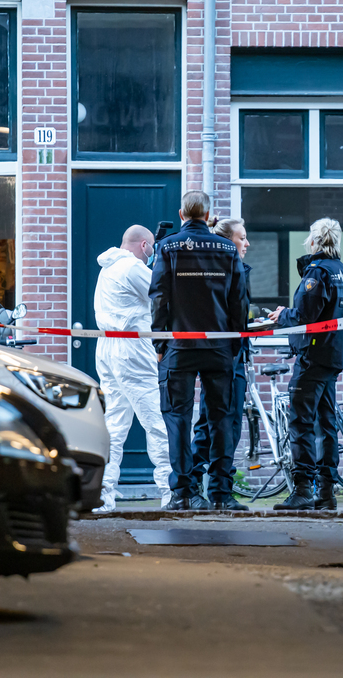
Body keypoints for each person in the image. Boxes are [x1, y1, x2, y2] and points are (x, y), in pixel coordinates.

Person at [150, 191, 248, 511]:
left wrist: (160, 343)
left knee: (178, 418)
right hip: (220, 347)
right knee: (221, 419)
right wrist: (234, 342)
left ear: (181, 214)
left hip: (178, 347)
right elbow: (238, 300)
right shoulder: (225, 248)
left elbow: (160, 297)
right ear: (208, 216)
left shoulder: (167, 246)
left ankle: (184, 493)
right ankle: (221, 493)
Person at [268, 218, 343, 511]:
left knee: (301, 421)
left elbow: (306, 318)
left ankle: (303, 489)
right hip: (334, 357)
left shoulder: (317, 274)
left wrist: (282, 315)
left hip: (313, 357)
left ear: (315, 241)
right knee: (326, 423)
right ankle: (327, 492)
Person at [93, 225, 173, 512]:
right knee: (155, 421)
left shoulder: (107, 269)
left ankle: (103, 494)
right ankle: (169, 491)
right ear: (144, 246)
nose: (152, 253)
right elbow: (162, 295)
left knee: (114, 423)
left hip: (108, 349)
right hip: (132, 351)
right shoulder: (131, 269)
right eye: (151, 248)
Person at [189, 217, 252, 509]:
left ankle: (208, 487)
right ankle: (216, 492)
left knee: (218, 424)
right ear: (228, 242)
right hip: (226, 355)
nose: (247, 244)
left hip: (230, 353)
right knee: (221, 424)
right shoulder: (224, 269)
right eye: (242, 238)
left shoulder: (235, 268)